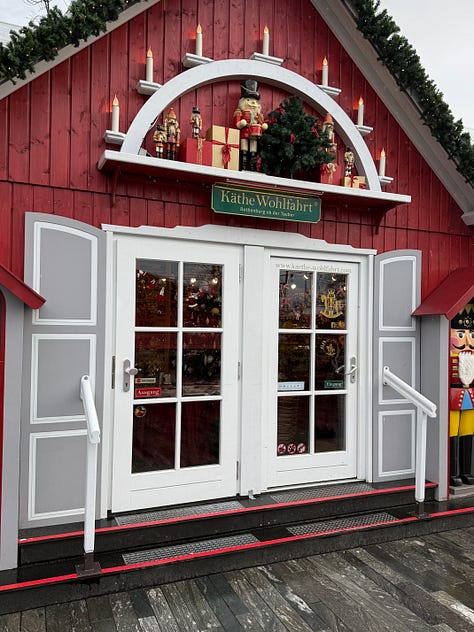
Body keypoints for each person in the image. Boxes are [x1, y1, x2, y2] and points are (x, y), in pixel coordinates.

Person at [449, 301, 474, 486]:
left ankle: (466, 470)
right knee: (453, 432)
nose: (467, 340)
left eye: (472, 335)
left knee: (468, 432)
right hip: (454, 395)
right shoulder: (450, 357)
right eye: (460, 334)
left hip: (470, 396)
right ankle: (453, 472)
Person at [233, 80, 267, 171]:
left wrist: (263, 126)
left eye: (255, 101)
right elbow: (236, 124)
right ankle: (243, 166)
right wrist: (241, 124)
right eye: (248, 100)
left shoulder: (258, 115)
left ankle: (252, 167)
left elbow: (260, 123)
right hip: (244, 133)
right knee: (244, 148)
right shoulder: (240, 112)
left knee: (253, 149)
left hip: (254, 135)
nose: (252, 103)